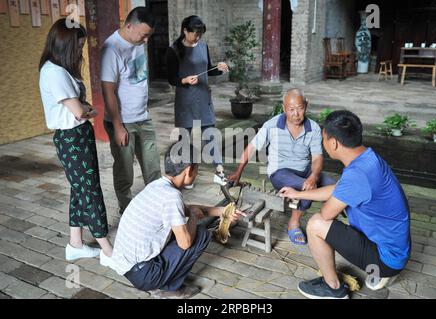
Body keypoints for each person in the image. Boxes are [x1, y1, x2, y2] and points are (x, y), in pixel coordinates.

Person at [280, 110, 411, 299]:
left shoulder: (358, 175)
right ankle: (381, 273)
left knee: (316, 224)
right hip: (395, 248)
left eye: (324, 138)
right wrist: (299, 194)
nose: (323, 143)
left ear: (333, 143)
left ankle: (333, 288)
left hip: (386, 260)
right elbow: (339, 189)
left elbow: (326, 214)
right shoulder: (367, 158)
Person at [110, 143, 243, 298]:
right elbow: (185, 242)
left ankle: (163, 279)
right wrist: (193, 216)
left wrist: (223, 211)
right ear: (188, 171)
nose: (197, 173)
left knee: (185, 227)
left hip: (130, 268)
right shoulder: (172, 197)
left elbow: (186, 209)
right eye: (197, 169)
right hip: (145, 276)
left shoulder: (157, 186)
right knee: (200, 235)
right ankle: (171, 289)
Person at [38, 19, 114, 266]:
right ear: (65, 45)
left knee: (80, 189)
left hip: (78, 136)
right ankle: (107, 250)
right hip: (72, 139)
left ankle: (76, 244)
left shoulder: (59, 69)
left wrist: (85, 110)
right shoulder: (54, 72)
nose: (79, 52)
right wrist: (87, 110)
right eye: (78, 47)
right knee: (90, 191)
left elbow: (81, 109)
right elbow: (80, 111)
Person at [228, 88, 335, 245]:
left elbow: (317, 157)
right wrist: (238, 173)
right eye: (291, 109)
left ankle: (330, 222)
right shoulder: (271, 126)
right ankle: (294, 222)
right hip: (280, 172)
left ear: (306, 105)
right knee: (308, 188)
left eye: (300, 108)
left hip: (306, 170)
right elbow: (251, 148)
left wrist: (314, 175)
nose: (296, 114)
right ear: (284, 108)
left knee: (336, 187)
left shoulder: (313, 128)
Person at [101, 7, 161, 215]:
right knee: (125, 171)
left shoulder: (138, 42)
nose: (145, 41)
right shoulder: (112, 48)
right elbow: (108, 90)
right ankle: (126, 210)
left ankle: (156, 207)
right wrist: (117, 126)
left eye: (148, 36)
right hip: (122, 122)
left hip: (143, 117)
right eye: (144, 35)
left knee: (153, 168)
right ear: (129, 26)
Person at [165, 15, 229, 189]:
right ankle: (184, 171)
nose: (198, 37)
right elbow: (171, 78)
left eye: (200, 34)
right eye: (195, 33)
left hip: (203, 97)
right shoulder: (174, 50)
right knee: (184, 138)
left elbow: (207, 70)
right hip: (185, 100)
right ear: (185, 31)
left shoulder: (203, 46)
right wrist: (184, 80)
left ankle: (220, 171)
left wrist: (219, 69)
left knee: (210, 134)